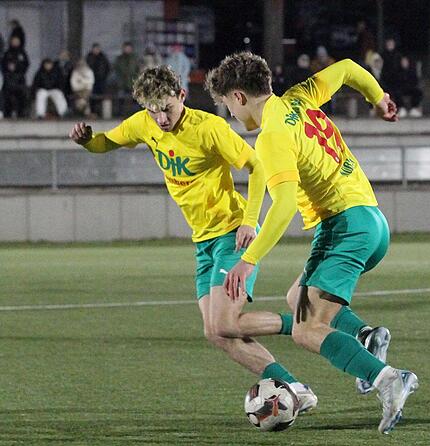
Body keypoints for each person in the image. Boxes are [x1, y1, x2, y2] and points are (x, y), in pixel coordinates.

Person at [67, 65, 319, 414]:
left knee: (225, 322)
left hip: (232, 234)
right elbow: (105, 142)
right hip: (203, 243)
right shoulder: (145, 123)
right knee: (216, 333)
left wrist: (249, 221)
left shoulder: (209, 128)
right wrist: (86, 141)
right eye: (152, 110)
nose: (160, 118)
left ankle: (311, 324)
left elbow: (257, 166)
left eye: (166, 108)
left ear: (182, 96)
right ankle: (295, 387)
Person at [206, 52, 418, 434]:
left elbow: (284, 204)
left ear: (238, 97)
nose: (232, 116)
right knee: (296, 297)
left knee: (305, 329)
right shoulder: (298, 98)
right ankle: (366, 336)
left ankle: (389, 379)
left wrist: (249, 259)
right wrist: (378, 97)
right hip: (368, 219)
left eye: (227, 106)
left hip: (345, 226)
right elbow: (350, 68)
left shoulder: (271, 136)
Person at [113, 42, 140, 116]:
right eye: (126, 48)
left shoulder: (135, 58)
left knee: (135, 99)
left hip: (133, 82)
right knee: (121, 99)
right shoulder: (119, 59)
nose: (127, 50)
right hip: (122, 82)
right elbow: (116, 70)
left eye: (129, 48)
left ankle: (135, 114)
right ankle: (120, 113)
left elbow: (138, 70)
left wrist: (136, 80)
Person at [86, 43, 111, 113]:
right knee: (92, 97)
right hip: (90, 81)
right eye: (95, 49)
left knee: (101, 96)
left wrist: (104, 76)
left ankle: (100, 112)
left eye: (97, 49)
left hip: (101, 80)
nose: (96, 50)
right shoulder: (89, 57)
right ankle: (92, 112)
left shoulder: (103, 57)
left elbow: (107, 68)